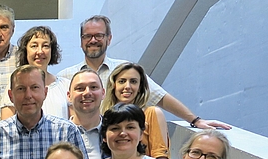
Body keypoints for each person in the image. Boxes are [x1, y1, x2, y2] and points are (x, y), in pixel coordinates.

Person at [58, 15, 230, 130]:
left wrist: (195, 120)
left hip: (119, 142)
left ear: (109, 39)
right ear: (81, 41)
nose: (93, 40)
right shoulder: (66, 76)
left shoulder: (125, 70)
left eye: (99, 35)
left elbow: (160, 96)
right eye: (87, 36)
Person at [102, 62, 171, 159]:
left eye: (133, 81)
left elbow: (160, 157)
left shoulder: (152, 113)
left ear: (140, 87)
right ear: (114, 85)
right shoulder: (104, 115)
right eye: (122, 81)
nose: (127, 86)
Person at [1, 26, 69, 120]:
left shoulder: (65, 85)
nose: (40, 51)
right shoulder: (15, 86)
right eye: (34, 46)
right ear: (26, 50)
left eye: (45, 46)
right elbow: (6, 124)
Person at [68, 69, 106, 159]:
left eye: (93, 87)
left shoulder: (115, 133)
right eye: (80, 88)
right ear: (69, 96)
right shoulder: (58, 134)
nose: (87, 93)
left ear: (103, 93)